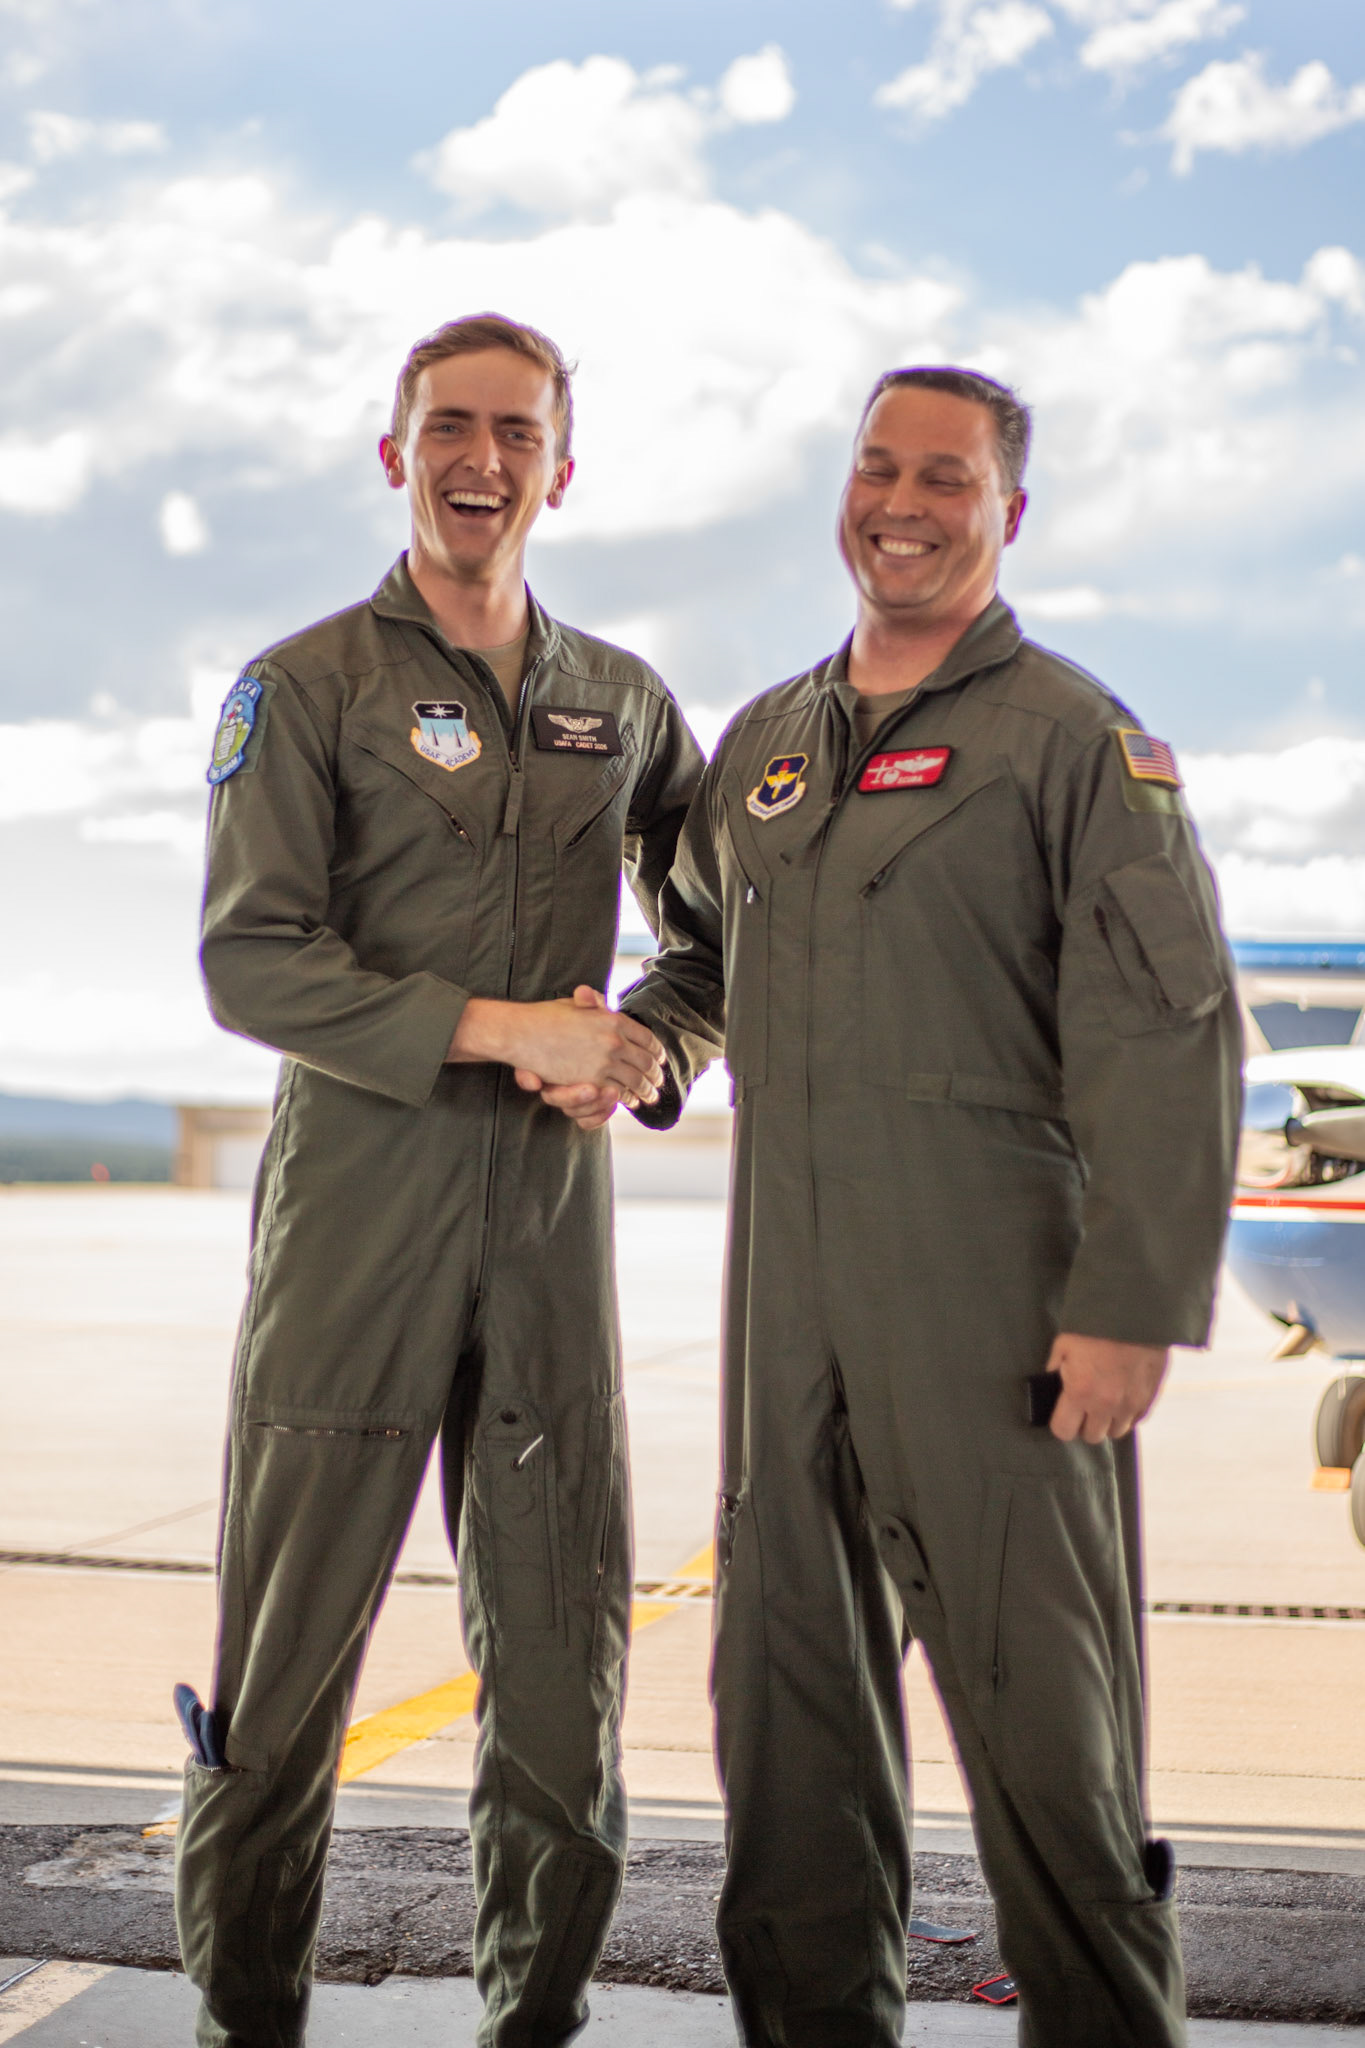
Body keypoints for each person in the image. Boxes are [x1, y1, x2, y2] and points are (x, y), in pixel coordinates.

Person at [548, 366, 1241, 2046]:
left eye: (945, 476)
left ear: (1008, 511)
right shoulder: (768, 746)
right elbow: (701, 952)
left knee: (1045, 1727)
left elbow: (1168, 1030)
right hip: (784, 1293)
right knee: (785, 1717)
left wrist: (1131, 1303)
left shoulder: (1070, 742)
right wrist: (645, 1043)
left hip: (992, 1293)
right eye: (877, 469)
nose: (901, 505)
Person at [173, 312, 703, 2048]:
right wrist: (495, 1027)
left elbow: (721, 922)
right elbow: (250, 959)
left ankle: (532, 2021)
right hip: (355, 1218)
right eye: (450, 427)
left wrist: (648, 1045)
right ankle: (244, 2014)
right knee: (284, 1670)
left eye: (517, 432)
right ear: (395, 453)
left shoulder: (621, 702)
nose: (483, 460)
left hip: (546, 1234)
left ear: (563, 465)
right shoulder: (305, 686)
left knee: (561, 1671)